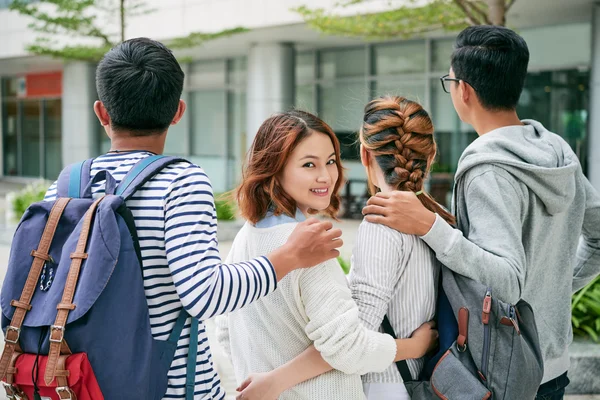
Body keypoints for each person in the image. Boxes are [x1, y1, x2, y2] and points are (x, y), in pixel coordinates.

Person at [43, 38, 344, 400]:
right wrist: (289, 256)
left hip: (77, 383)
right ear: (178, 112)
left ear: (102, 112)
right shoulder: (180, 181)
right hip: (169, 388)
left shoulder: (64, 186)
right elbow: (206, 295)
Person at [361, 25, 600, 400]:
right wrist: (553, 289)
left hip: (503, 370)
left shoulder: (486, 169)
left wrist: (429, 226)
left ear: (464, 90)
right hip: (551, 364)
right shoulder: (557, 151)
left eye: (450, 81)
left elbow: (507, 280)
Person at [232, 98, 449, 400]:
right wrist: (417, 346)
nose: (325, 176)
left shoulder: (248, 234)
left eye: (331, 161)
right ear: (274, 168)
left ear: (363, 154)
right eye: (309, 164)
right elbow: (349, 346)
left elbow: (228, 328)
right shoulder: (310, 247)